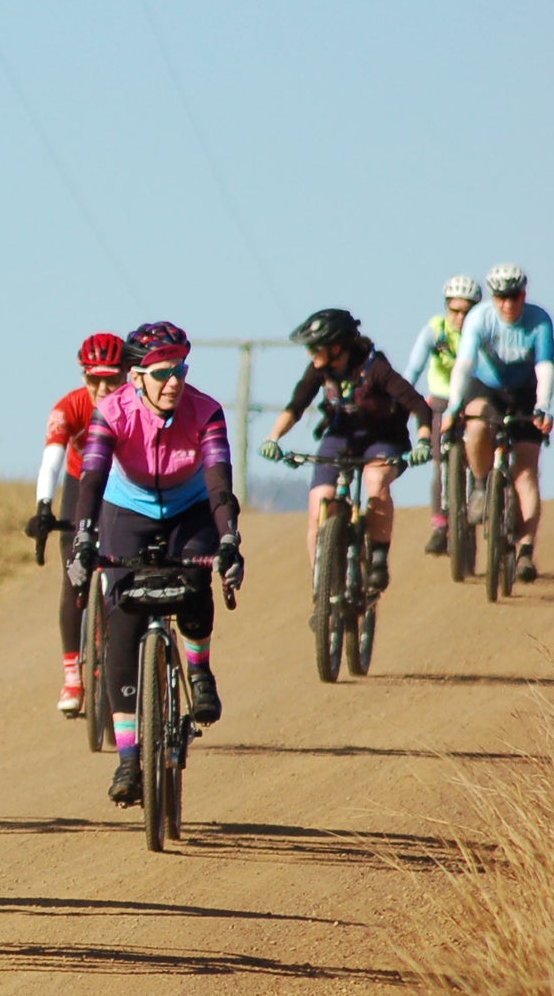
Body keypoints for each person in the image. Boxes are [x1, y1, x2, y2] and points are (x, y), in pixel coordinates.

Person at [67, 323, 245, 807]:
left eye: (181, 370)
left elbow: (219, 482)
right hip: (129, 509)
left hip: (190, 508)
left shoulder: (206, 411)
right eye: (164, 373)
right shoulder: (112, 410)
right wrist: (84, 538)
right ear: (136, 376)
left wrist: (228, 538)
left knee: (193, 581)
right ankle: (127, 758)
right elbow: (92, 479)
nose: (175, 382)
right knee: (122, 617)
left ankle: (200, 668)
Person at [259, 308, 432, 592]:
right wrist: (273, 438)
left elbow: (417, 404)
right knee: (319, 501)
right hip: (341, 436)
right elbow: (297, 404)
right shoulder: (320, 369)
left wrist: (424, 441)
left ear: (337, 346)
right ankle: (321, 588)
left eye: (315, 347)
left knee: (375, 482)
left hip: (383, 438)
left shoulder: (374, 367)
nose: (309, 354)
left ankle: (377, 557)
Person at [23, 332, 128, 716]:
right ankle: (72, 675)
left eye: (112, 379)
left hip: (122, 489)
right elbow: (51, 459)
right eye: (93, 379)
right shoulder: (69, 407)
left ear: (127, 375)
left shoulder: (137, 406)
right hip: (79, 484)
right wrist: (44, 507)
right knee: (74, 578)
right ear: (83, 376)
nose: (102, 388)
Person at [440, 264, 554, 581]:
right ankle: (479, 485)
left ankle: (526, 551)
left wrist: (544, 406)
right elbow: (463, 364)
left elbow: (545, 367)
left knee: (526, 473)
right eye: (501, 297)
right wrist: (453, 407)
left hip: (525, 392)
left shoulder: (539, 320)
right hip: (486, 388)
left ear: (523, 295)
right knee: (476, 426)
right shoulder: (480, 318)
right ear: (492, 298)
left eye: (514, 296)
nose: (508, 304)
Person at [404, 276, 479, 554]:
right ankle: (439, 526)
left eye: (467, 311)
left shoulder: (482, 330)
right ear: (447, 308)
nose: (460, 317)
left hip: (473, 400)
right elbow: (413, 369)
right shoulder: (435, 331)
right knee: (440, 463)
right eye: (455, 310)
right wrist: (401, 399)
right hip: (439, 399)